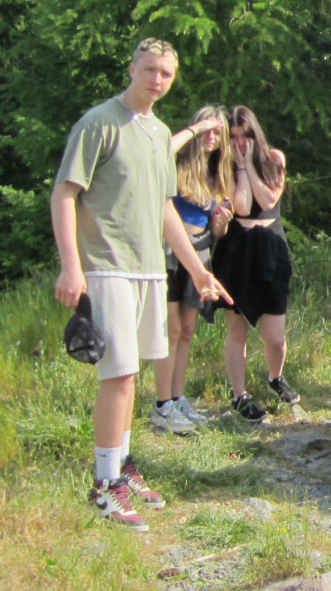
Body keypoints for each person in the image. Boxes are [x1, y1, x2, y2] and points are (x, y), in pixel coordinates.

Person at [51, 38, 230, 531]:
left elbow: (165, 207)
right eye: (149, 70)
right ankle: (104, 485)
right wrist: (71, 267)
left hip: (151, 267)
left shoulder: (160, 132)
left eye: (166, 74)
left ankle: (123, 466)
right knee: (119, 374)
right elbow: (64, 193)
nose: (157, 80)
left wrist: (197, 269)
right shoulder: (99, 122)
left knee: (133, 375)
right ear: (132, 68)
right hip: (106, 265)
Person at [210, 107, 298, 422]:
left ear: (254, 134)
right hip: (237, 249)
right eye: (233, 137)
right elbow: (243, 205)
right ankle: (239, 394)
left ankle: (276, 377)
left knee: (274, 334)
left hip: (270, 248)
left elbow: (269, 200)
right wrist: (239, 167)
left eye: (244, 135)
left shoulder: (274, 158)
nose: (239, 142)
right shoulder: (224, 165)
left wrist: (249, 164)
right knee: (237, 328)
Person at [151, 106, 233, 434]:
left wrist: (221, 223)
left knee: (186, 331)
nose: (212, 137)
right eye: (207, 130)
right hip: (170, 252)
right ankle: (162, 405)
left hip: (199, 253)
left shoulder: (218, 173)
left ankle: (177, 397)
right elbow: (161, 150)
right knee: (170, 330)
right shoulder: (176, 162)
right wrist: (196, 130)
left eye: (217, 132)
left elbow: (217, 232)